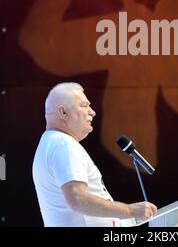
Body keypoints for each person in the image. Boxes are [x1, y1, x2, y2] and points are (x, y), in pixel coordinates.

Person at [32, 82, 157, 227]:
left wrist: (129, 220)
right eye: (84, 105)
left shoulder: (51, 143)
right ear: (63, 112)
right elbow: (77, 199)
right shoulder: (63, 144)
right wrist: (130, 211)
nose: (92, 112)